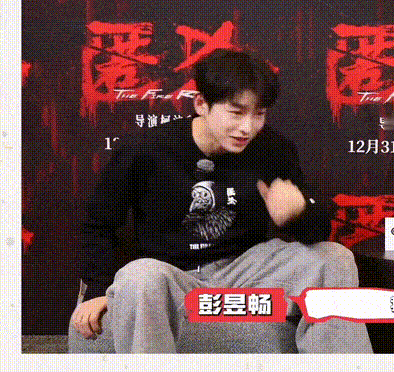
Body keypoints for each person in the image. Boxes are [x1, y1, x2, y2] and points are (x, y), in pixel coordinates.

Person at [68, 50, 372, 353]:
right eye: (236, 113)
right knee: (140, 275)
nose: (248, 128)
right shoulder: (146, 148)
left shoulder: (273, 148)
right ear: (202, 104)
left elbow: (317, 233)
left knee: (334, 257)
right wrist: (98, 289)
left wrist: (299, 212)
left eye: (259, 114)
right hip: (173, 275)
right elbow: (99, 224)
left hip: (247, 272)